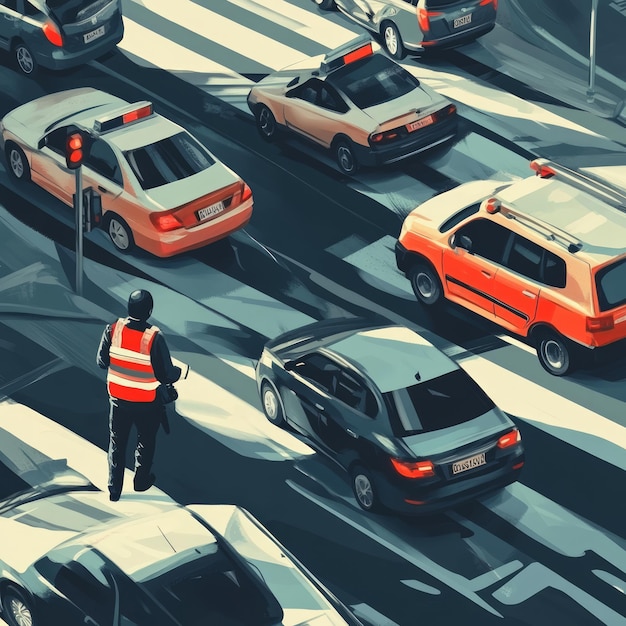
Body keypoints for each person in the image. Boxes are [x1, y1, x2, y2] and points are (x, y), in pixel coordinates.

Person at [97, 289, 188, 501]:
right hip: (147, 402)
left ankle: (114, 489)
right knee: (145, 441)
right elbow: (166, 375)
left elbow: (102, 362)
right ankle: (140, 481)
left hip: (118, 399)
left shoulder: (113, 330)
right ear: (149, 311)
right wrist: (181, 372)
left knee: (116, 444)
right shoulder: (154, 338)